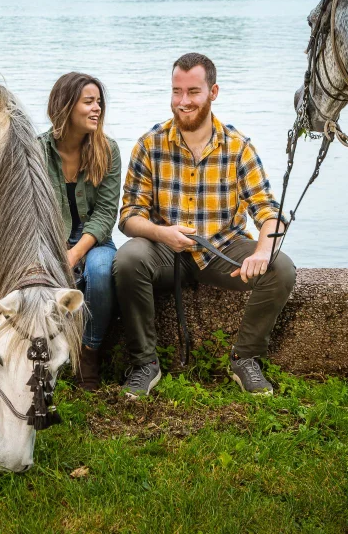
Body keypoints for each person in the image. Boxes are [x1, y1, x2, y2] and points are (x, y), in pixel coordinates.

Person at [113, 53, 296, 398]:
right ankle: (145, 363)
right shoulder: (149, 145)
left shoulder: (238, 147)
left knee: (281, 268)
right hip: (165, 251)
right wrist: (161, 233)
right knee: (127, 260)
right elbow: (129, 216)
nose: (183, 102)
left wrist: (263, 249)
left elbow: (269, 211)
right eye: (176, 91)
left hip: (221, 249)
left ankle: (245, 358)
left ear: (213, 92)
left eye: (193, 92)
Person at [39, 72, 121, 391]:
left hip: (93, 241)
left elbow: (105, 213)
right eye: (89, 102)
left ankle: (89, 352)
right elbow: (30, 210)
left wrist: (74, 253)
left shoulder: (108, 150)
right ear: (65, 106)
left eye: (99, 102)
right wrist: (56, 251)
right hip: (48, 240)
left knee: (101, 270)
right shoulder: (37, 151)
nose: (97, 108)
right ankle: (45, 356)